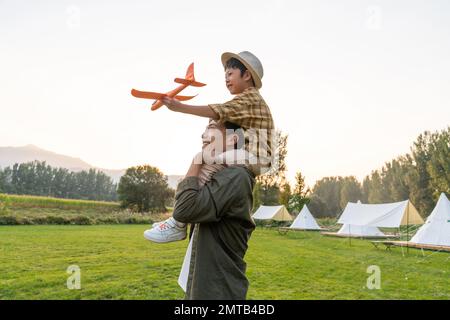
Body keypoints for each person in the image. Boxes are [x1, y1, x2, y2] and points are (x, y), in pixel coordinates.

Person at [144, 50, 274, 243]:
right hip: (248, 157)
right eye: (225, 76)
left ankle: (178, 223)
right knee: (206, 160)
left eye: (230, 74)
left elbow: (218, 111)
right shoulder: (246, 102)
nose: (227, 79)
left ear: (246, 75)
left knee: (205, 160)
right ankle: (177, 221)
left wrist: (179, 106)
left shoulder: (251, 98)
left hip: (255, 158)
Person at [171, 120, 256, 299]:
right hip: (204, 286)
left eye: (211, 128)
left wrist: (198, 158)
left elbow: (184, 209)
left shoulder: (235, 177)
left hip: (217, 291)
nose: (203, 135)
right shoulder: (219, 174)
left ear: (233, 139)